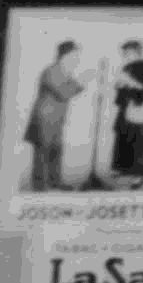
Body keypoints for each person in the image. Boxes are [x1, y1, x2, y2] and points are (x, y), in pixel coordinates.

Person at [23, 39, 90, 193]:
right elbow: (64, 93)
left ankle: (55, 183)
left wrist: (80, 83)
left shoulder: (64, 71)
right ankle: (39, 187)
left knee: (56, 150)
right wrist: (82, 82)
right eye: (75, 55)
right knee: (42, 151)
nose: (77, 59)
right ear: (64, 55)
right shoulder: (52, 71)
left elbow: (70, 89)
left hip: (56, 120)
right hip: (44, 119)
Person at [106, 35, 143, 183]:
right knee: (122, 137)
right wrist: (120, 85)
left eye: (128, 53)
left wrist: (134, 84)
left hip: (141, 109)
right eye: (124, 53)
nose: (125, 56)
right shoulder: (125, 67)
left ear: (137, 52)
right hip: (125, 108)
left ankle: (140, 174)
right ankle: (121, 168)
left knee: (139, 141)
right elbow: (121, 89)